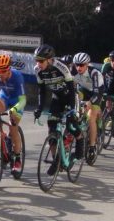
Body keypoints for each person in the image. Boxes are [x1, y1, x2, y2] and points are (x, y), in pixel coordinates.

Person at [33, 44, 79, 176]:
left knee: (71, 124)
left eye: (41, 61)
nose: (38, 63)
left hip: (70, 96)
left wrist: (71, 109)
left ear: (49, 59)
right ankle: (56, 160)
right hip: (57, 98)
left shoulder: (61, 67)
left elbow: (71, 89)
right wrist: (40, 108)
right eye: (37, 60)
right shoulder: (38, 70)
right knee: (52, 127)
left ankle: (77, 146)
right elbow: (41, 91)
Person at [71, 52, 104, 160]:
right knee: (74, 112)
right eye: (77, 64)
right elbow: (72, 87)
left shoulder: (94, 73)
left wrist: (89, 103)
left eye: (81, 65)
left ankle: (92, 146)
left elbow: (96, 93)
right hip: (84, 90)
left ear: (87, 64)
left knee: (91, 118)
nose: (79, 67)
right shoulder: (74, 71)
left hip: (96, 93)